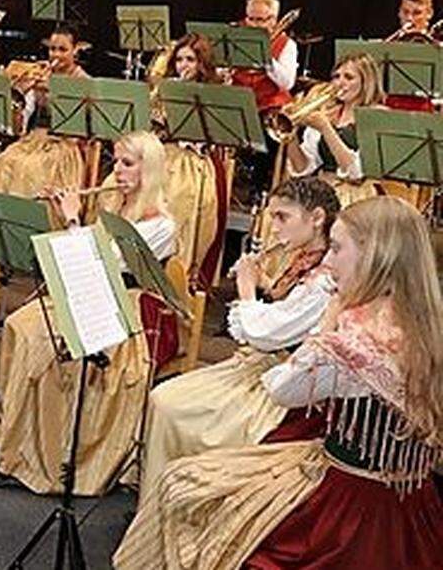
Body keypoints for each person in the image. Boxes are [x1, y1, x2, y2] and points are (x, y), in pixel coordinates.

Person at [116, 196, 443, 569]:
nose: (329, 261)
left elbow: (282, 388)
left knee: (187, 485)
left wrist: (329, 320)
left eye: (337, 249)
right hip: (416, 501)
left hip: (348, 507)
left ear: (375, 255)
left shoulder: (349, 339)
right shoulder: (427, 324)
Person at [0, 130, 177, 494]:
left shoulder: (161, 224)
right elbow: (81, 254)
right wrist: (61, 216)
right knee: (18, 325)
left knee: (48, 345)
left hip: (124, 304)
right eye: (115, 162)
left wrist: (73, 220)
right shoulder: (115, 206)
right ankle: (0, 433)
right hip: (88, 291)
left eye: (127, 164)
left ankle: (42, 457)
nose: (117, 171)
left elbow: (103, 262)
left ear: (148, 170)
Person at [139, 176, 339, 499]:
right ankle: (161, 493)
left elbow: (267, 333)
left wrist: (246, 289)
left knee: (169, 404)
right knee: (168, 398)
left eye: (282, 217)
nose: (273, 228)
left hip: (284, 384)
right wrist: (264, 284)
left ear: (316, 219)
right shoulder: (307, 257)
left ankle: (178, 498)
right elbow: (287, 312)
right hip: (265, 364)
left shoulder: (326, 280)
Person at [151, 32, 225, 285]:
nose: (184, 65)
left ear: (201, 63)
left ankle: (178, 274)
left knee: (180, 195)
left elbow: (216, 136)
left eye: (190, 60)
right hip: (165, 155)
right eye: (180, 59)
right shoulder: (166, 88)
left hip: (195, 161)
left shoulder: (212, 95)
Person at [0, 24, 88, 198]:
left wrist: (52, 93)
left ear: (75, 50)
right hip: (34, 140)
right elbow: (18, 126)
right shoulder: (40, 73)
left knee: (30, 169)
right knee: (7, 160)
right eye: (52, 49)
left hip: (65, 144)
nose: (56, 55)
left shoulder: (83, 81)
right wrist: (22, 95)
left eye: (63, 49)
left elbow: (80, 127)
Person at [284, 52, 383, 208]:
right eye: (336, 77)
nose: (339, 83)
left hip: (355, 199)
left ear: (366, 82)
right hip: (322, 193)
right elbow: (302, 168)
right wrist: (289, 135)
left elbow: (355, 173)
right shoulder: (328, 113)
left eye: (348, 77)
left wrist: (326, 129)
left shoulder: (377, 116)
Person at [230, 0, 297, 114]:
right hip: (236, 106)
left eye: (260, 20)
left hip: (270, 109)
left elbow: (287, 83)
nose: (254, 25)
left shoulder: (287, 44)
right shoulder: (233, 34)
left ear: (273, 20)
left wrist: (264, 57)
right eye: (250, 18)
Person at [386, 0, 435, 111]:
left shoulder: (437, 46)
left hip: (429, 110)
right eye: (405, 12)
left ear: (429, 14)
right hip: (391, 107)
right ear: (399, 12)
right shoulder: (387, 46)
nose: (409, 19)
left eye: (417, 13)